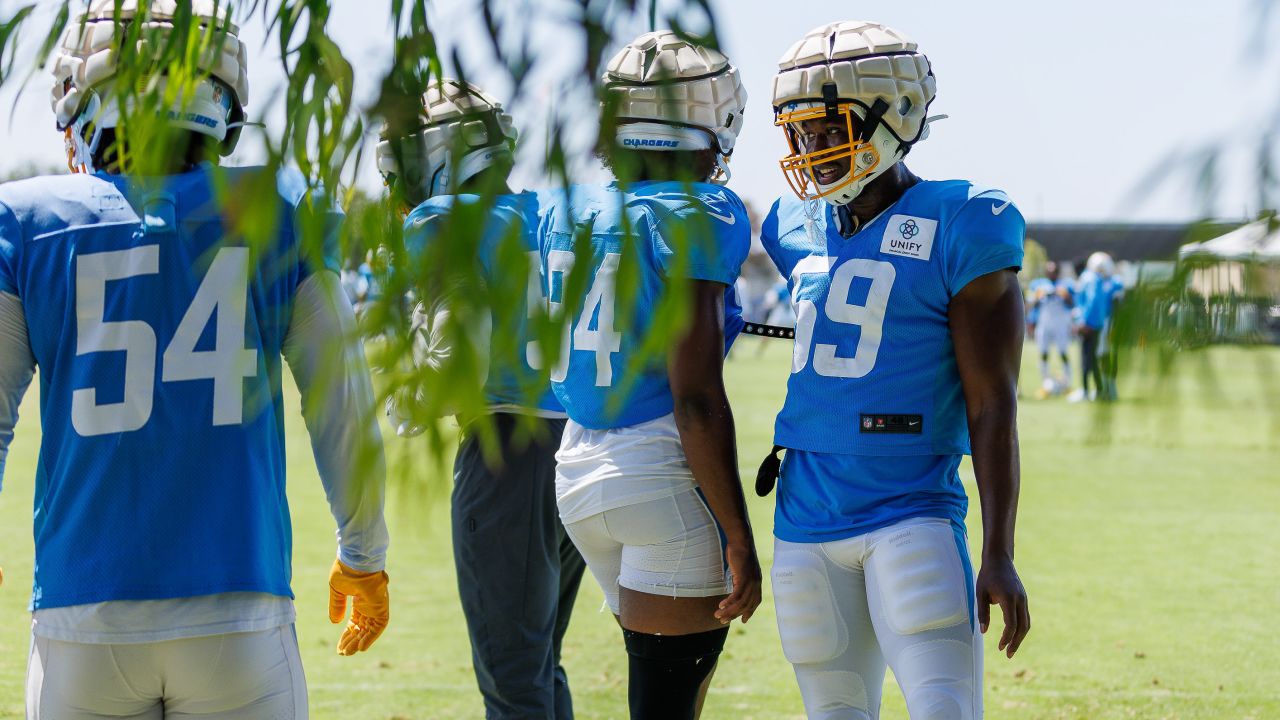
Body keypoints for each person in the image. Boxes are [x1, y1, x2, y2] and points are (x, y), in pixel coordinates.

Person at [0, 2, 389, 717]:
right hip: (239, 605)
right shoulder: (278, 208)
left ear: (85, 99)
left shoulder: (26, 222)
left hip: (83, 612)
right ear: (223, 102)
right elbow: (343, 405)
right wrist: (363, 552)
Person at [757, 20, 1031, 719]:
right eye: (801, 131)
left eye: (829, 126)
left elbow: (993, 402)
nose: (813, 149)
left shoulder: (964, 219)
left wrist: (998, 548)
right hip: (803, 517)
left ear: (895, 114)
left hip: (910, 510)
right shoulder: (792, 225)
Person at [539, 30, 762, 720]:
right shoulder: (701, 211)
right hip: (656, 468)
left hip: (575, 472)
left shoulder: (565, 210)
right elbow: (694, 398)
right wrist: (739, 532)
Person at [378, 78, 587, 720]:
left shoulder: (446, 222)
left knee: (511, 679)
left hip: (507, 452)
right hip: (580, 447)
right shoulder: (556, 215)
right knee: (538, 664)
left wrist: (412, 401)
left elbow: (458, 344)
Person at [1070, 251, 1120, 402]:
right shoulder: (1098, 279)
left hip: (1089, 324)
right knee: (1093, 358)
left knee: (1086, 359)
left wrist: (1084, 321)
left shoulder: (1088, 278)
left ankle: (1086, 391)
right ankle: (1099, 390)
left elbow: (1091, 301)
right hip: (1098, 324)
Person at [1027, 260, 1074, 397]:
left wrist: (1064, 295)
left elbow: (1072, 304)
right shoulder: (1038, 285)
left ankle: (1067, 384)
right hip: (1044, 324)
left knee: (1063, 352)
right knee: (1043, 353)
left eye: (1054, 271)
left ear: (1058, 272)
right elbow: (1030, 305)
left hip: (1060, 324)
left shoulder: (1066, 285)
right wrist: (1039, 296)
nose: (1052, 274)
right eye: (1049, 271)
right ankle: (1045, 383)